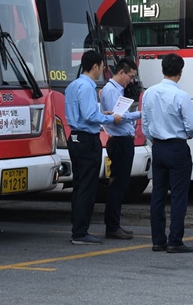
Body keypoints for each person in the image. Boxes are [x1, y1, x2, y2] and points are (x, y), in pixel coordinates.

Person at [141, 53, 193, 254]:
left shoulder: (149, 93)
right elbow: (191, 126)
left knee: (157, 194)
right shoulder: (181, 95)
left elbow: (145, 124)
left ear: (162, 70)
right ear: (180, 73)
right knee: (179, 196)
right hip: (177, 147)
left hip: (158, 147)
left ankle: (158, 240)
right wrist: (189, 134)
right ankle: (175, 240)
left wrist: (154, 137)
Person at [65, 50, 123, 245]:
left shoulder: (73, 85)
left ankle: (77, 227)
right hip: (87, 140)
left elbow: (84, 113)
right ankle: (81, 232)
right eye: (101, 66)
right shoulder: (88, 87)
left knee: (79, 184)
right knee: (88, 187)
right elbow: (90, 116)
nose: (102, 70)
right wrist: (110, 118)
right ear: (95, 66)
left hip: (74, 137)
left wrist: (101, 113)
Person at [99, 57, 140, 240]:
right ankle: (112, 226)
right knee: (117, 184)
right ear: (121, 72)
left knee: (121, 184)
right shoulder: (110, 90)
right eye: (129, 76)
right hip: (119, 140)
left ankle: (115, 224)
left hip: (123, 139)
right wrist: (141, 113)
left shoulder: (117, 90)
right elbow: (119, 116)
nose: (130, 80)